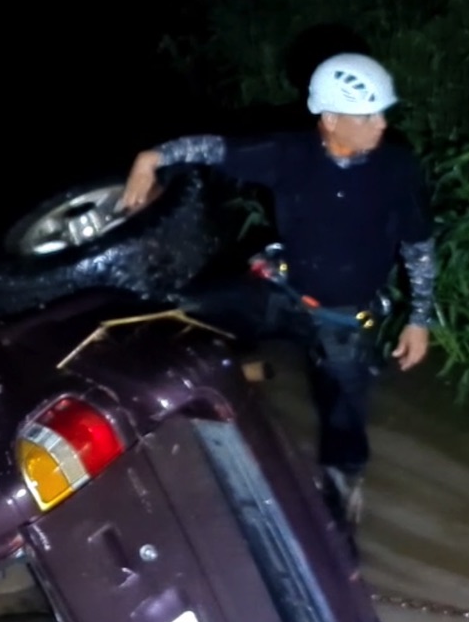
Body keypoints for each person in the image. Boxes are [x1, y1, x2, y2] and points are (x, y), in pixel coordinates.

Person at [119, 52, 438, 527]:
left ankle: (342, 501)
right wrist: (150, 160)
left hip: (344, 319)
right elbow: (213, 148)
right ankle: (191, 400)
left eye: (381, 113)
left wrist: (419, 319)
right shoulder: (288, 153)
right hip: (280, 293)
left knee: (345, 424)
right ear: (330, 119)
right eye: (367, 115)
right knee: (178, 310)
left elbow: (419, 245)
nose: (381, 124)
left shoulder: (397, 167)